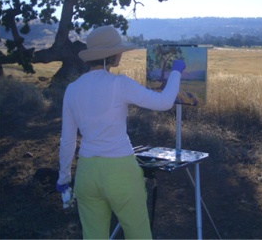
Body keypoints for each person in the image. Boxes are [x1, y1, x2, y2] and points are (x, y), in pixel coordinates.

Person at [55, 25, 186, 239]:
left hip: (86, 174)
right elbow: (163, 102)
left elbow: (67, 141)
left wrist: (63, 178)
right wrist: (175, 72)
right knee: (138, 234)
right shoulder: (119, 84)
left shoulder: (72, 89)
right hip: (120, 172)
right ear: (111, 54)